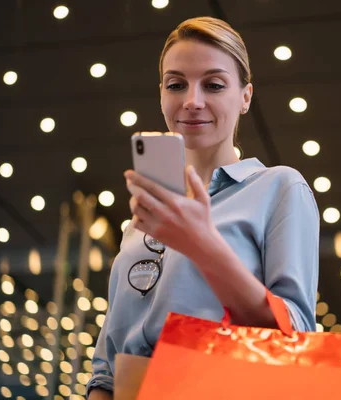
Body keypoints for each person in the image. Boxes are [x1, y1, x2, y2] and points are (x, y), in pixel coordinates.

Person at [87, 16, 319, 399]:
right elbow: (106, 367)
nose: (192, 101)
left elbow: (296, 336)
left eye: (213, 85)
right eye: (176, 84)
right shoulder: (142, 221)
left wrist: (202, 244)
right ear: (161, 94)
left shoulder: (278, 188)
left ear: (245, 97)